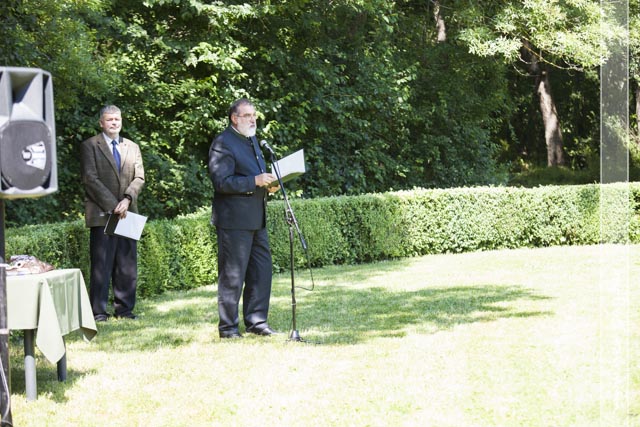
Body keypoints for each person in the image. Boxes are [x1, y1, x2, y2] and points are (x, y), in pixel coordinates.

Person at [208, 98, 280, 339]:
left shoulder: (252, 140)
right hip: (234, 221)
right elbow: (221, 182)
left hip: (257, 218)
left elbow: (255, 177)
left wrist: (267, 185)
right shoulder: (223, 142)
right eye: (247, 115)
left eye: (254, 115)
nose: (252, 119)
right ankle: (228, 328)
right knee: (233, 276)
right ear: (234, 118)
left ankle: (257, 321)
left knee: (261, 271)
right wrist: (254, 181)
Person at [80, 105, 145, 322]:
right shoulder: (90, 145)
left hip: (128, 212)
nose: (114, 123)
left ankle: (125, 310)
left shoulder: (132, 146)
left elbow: (140, 178)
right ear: (101, 123)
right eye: (110, 120)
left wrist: (127, 200)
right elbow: (90, 179)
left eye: (117, 119)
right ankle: (98, 312)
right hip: (102, 213)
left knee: (127, 265)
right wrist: (114, 205)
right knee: (101, 264)